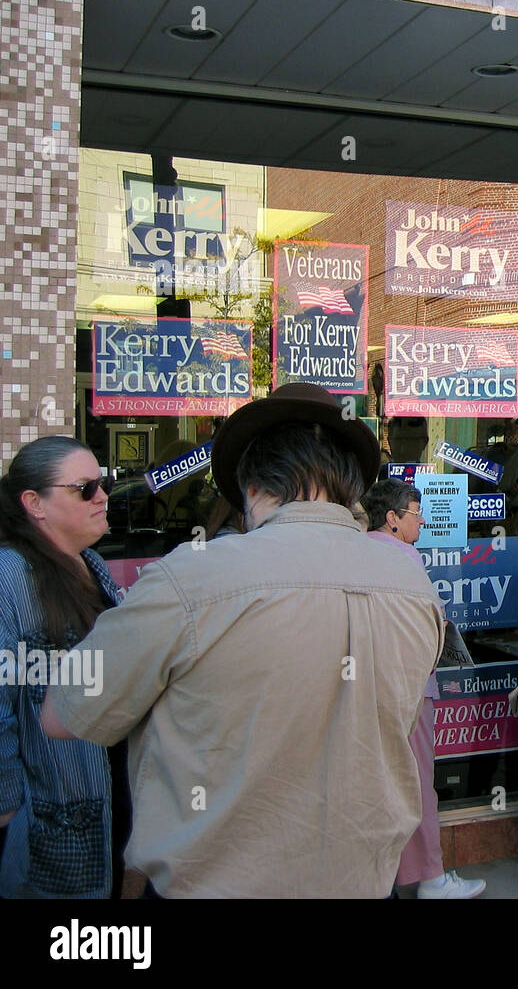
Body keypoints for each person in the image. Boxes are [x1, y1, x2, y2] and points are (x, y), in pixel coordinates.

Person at [42, 383, 444, 898]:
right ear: (350, 486)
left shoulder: (190, 580)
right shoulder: (412, 583)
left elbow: (64, 714)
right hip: (364, 884)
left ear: (253, 489)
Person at [0, 437, 123, 898]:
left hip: (109, 809)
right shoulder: (9, 577)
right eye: (84, 488)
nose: (102, 496)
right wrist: (8, 810)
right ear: (34, 503)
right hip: (45, 826)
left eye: (103, 483)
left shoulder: (91, 565)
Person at [361, 478, 486, 900]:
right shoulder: (405, 555)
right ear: (392, 519)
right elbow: (428, 623)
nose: (423, 520)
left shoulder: (356, 552)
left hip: (365, 687)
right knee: (416, 784)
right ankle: (430, 875)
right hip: (411, 688)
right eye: (415, 512)